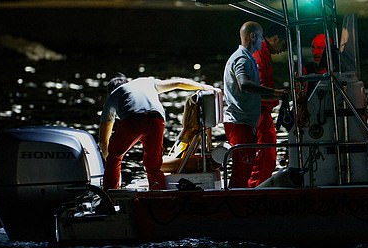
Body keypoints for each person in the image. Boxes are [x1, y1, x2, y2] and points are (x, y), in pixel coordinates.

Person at [99, 73, 215, 190]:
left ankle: (110, 197)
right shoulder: (146, 82)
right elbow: (178, 83)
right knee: (153, 165)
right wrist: (204, 87)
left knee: (114, 156)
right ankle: (158, 195)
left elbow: (104, 142)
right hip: (156, 119)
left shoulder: (113, 96)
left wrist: (110, 165)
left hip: (133, 120)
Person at [223, 21, 286, 188]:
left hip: (246, 121)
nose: (262, 42)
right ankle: (239, 202)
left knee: (246, 166)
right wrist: (275, 93)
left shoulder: (248, 58)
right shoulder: (243, 59)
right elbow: (244, 84)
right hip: (240, 122)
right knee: (242, 169)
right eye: (260, 38)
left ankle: (243, 197)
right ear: (253, 37)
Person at [248, 23, 287, 187]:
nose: (283, 50)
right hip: (260, 113)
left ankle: (257, 185)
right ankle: (257, 188)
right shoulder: (259, 55)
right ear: (275, 39)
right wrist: (278, 94)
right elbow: (259, 90)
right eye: (283, 45)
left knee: (266, 154)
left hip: (261, 112)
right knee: (266, 155)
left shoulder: (261, 54)